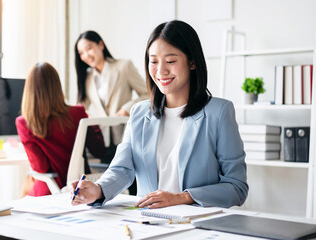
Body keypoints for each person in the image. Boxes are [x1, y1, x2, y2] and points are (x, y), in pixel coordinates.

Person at [71, 20, 248, 209]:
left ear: (192, 62)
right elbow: (122, 169)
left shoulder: (219, 113)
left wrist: (182, 197)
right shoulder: (139, 113)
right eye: (153, 61)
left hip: (195, 225)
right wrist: (98, 189)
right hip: (149, 224)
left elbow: (236, 187)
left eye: (171, 61)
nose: (161, 71)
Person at [16, 62, 105, 197]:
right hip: (81, 187)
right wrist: (93, 123)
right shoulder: (78, 112)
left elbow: (41, 168)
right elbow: (99, 149)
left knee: (25, 189)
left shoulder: (24, 122)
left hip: (50, 191)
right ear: (57, 86)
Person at [75, 30, 148, 149]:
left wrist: (128, 108)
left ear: (100, 45)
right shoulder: (87, 78)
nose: (86, 55)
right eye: (81, 53)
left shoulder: (124, 66)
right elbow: (81, 108)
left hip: (125, 136)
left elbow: (148, 94)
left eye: (89, 48)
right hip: (102, 141)